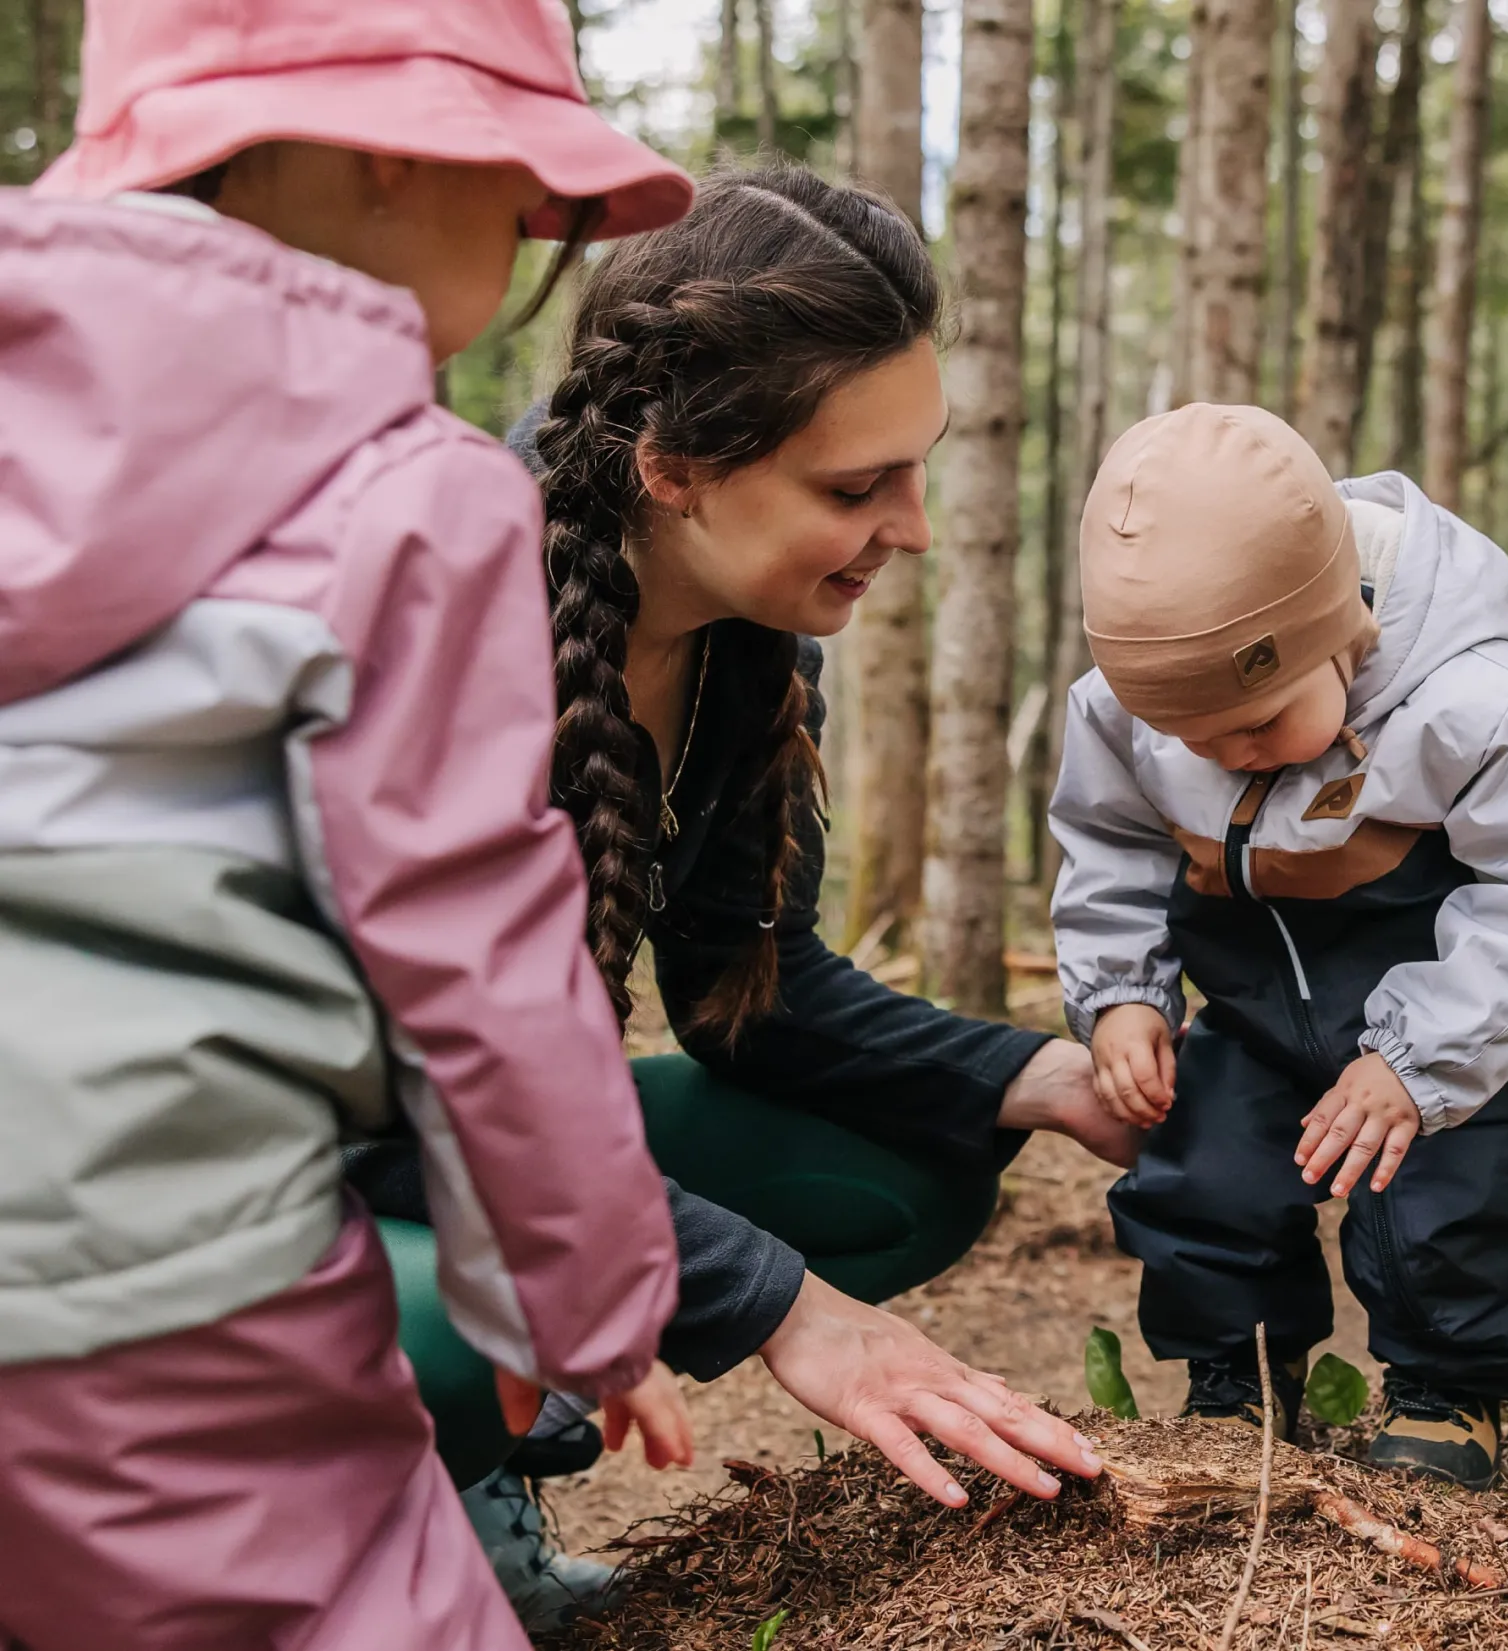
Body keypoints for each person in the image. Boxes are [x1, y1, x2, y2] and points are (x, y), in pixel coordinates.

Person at [0, 2, 707, 1646]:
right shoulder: (409, 493)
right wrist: (576, 1308)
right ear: (396, 147)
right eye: (534, 218)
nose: (527, 261)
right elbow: (475, 961)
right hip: (148, 1302)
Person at [352, 162, 1135, 1611]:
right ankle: (397, 1512)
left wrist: (1045, 1075)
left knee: (906, 1165)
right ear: (675, 464)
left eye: (918, 466)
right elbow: (383, 1107)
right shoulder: (436, 624)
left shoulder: (750, 650)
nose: (913, 525)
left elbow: (748, 999)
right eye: (857, 486)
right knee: (479, 1320)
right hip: (290, 1183)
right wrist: (776, 1302)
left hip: (491, 1149)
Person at [1050, 401, 1508, 1491]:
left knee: (1432, 1203)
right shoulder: (1126, 713)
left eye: (1255, 726)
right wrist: (1121, 992)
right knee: (1199, 1172)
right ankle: (1236, 1378)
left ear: (1340, 631)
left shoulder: (1476, 704)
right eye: (1189, 739)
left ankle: (1448, 1383)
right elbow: (1107, 843)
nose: (1222, 755)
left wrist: (1417, 1059)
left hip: (1463, 1023)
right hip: (1260, 1009)